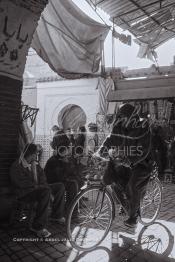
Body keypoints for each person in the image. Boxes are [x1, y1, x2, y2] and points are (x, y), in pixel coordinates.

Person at [94, 103, 153, 228]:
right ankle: (128, 206)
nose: (122, 119)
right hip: (124, 162)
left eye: (125, 117)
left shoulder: (143, 127)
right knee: (115, 183)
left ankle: (134, 216)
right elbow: (110, 139)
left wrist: (130, 160)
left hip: (141, 163)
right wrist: (100, 152)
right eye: (120, 117)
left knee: (132, 186)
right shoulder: (118, 126)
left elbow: (143, 150)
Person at [10, 143, 65, 238]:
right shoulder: (17, 166)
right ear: (31, 154)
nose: (37, 156)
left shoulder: (35, 164)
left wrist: (42, 185)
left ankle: (56, 215)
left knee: (60, 186)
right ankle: (38, 227)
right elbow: (21, 184)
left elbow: (43, 178)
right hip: (25, 193)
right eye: (36, 154)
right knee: (45, 192)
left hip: (39, 188)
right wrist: (39, 186)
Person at [44, 133, 80, 211]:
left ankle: (71, 208)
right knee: (72, 184)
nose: (70, 149)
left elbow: (72, 173)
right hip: (53, 183)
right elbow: (60, 177)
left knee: (74, 183)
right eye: (68, 147)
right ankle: (69, 209)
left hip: (60, 181)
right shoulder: (54, 160)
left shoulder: (63, 158)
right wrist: (66, 164)